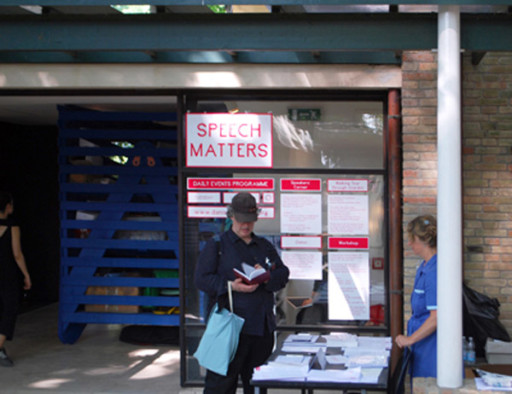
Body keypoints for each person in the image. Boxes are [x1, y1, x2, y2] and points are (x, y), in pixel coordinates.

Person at [194, 192, 289, 394]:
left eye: (250, 221)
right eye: (241, 221)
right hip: (229, 328)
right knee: (220, 386)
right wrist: (231, 285)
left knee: (256, 386)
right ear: (231, 217)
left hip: (261, 328)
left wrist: (266, 276)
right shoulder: (217, 245)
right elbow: (201, 279)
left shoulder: (264, 246)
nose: (246, 226)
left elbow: (283, 274)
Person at [395, 215, 437, 377]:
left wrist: (410, 339)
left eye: (412, 239)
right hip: (422, 345)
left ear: (424, 241)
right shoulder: (424, 266)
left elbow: (436, 316)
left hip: (431, 348)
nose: (410, 243)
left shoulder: (434, 272)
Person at [0, 192, 32, 367]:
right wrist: (26, 275)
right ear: (7, 207)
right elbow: (17, 254)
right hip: (7, 274)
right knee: (9, 310)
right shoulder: (12, 227)